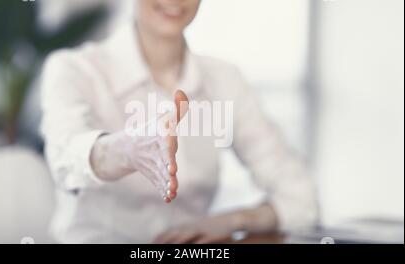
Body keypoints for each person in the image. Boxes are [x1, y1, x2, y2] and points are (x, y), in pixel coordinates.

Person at [40, 0, 317, 243]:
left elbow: (300, 198)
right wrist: (125, 151)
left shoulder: (224, 80)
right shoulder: (75, 69)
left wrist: (233, 220)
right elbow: (65, 161)